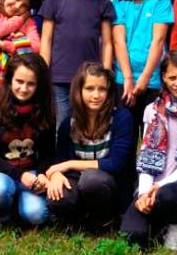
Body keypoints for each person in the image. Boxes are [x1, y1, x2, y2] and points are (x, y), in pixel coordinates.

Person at [121, 50, 177, 250]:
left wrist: (160, 186)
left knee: (168, 196)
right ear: (164, 78)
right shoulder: (151, 109)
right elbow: (146, 156)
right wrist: (144, 194)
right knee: (133, 237)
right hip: (154, 185)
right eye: (172, 77)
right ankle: (160, 224)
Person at [46, 63, 133, 232]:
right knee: (58, 195)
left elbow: (115, 164)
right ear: (79, 90)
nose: (96, 95)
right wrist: (56, 175)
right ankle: (78, 221)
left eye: (102, 89)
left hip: (109, 187)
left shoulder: (122, 118)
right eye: (89, 88)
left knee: (91, 179)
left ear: (109, 92)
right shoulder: (68, 124)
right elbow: (59, 161)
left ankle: (105, 222)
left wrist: (69, 164)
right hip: (77, 182)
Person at [38, 0, 116, 125]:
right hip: (59, 77)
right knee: (63, 126)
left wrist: (105, 73)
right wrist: (44, 72)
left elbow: (107, 43)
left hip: (90, 78)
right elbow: (46, 39)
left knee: (88, 125)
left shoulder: (103, 3)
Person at [0, 53, 56, 227]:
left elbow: (48, 152)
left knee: (37, 215)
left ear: (39, 85)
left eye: (31, 84)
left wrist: (42, 174)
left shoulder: (45, 109)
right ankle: (3, 216)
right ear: (9, 80)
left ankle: (22, 209)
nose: (23, 88)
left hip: (32, 172)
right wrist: (19, 175)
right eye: (19, 81)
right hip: (1, 173)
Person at [112, 0, 174, 129]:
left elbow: (158, 40)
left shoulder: (160, 0)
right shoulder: (119, 2)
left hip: (152, 78)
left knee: (152, 133)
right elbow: (119, 42)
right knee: (125, 133)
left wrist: (145, 78)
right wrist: (128, 79)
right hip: (124, 79)